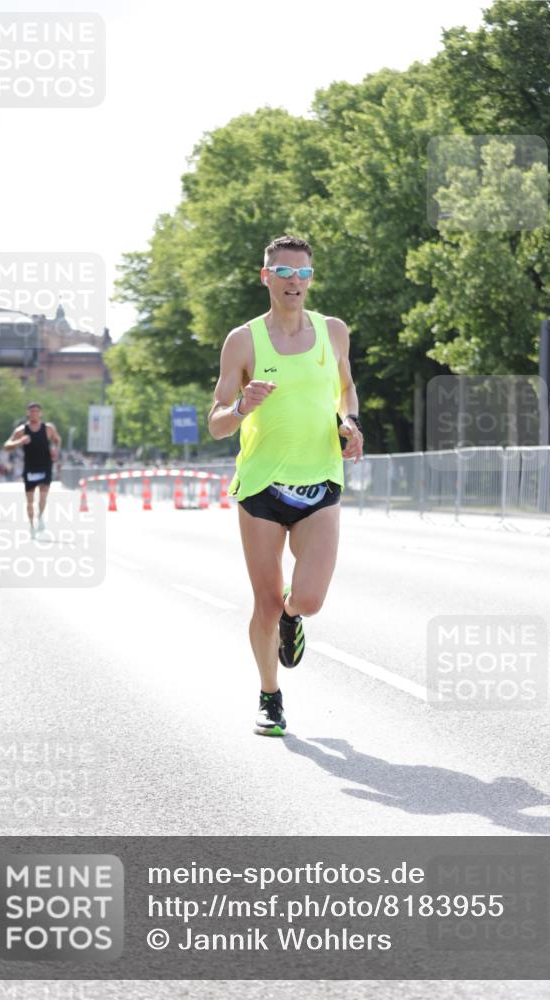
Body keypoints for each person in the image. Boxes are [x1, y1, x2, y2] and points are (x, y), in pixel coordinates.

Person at [208, 235, 363, 736]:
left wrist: (350, 425)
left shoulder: (333, 331)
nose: (295, 282)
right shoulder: (243, 340)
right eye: (285, 273)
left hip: (321, 480)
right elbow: (215, 422)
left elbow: (346, 390)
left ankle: (294, 617)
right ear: (266, 277)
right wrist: (241, 407)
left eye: (304, 274)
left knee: (307, 600)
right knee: (265, 603)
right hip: (262, 488)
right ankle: (270, 696)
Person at [4, 403, 61, 535]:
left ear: (40, 413)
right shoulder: (21, 430)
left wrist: (55, 449)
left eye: (36, 411)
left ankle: (40, 516)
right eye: (31, 411)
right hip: (30, 467)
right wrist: (20, 442)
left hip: (45, 466)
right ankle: (31, 526)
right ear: (27, 413)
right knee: (30, 500)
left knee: (43, 495)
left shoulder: (48, 428)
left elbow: (57, 440)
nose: (34, 414)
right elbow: (6, 445)